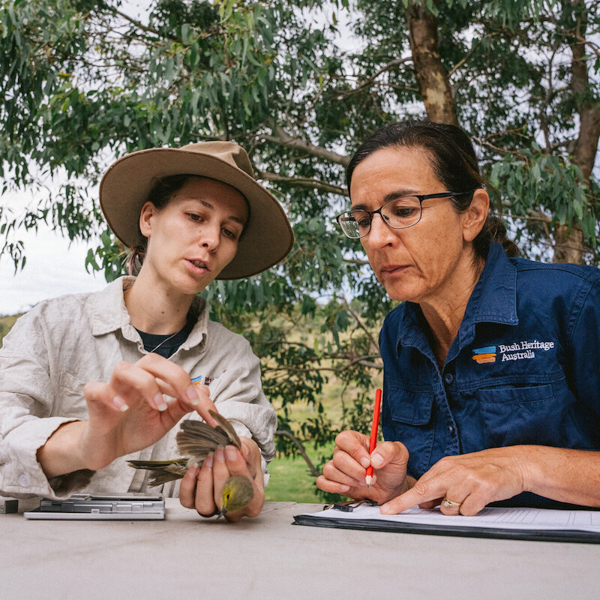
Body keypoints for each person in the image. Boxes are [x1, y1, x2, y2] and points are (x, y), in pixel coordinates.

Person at [317, 120, 600, 516]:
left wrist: (521, 466)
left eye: (403, 210)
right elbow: (448, 489)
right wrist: (400, 484)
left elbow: (496, 472)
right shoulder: (398, 335)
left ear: (472, 215)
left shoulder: (574, 302)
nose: (377, 239)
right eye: (364, 221)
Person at [0, 141, 293, 521]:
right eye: (195, 216)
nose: (213, 240)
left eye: (230, 231)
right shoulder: (50, 327)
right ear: (149, 219)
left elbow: (240, 432)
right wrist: (85, 442)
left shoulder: (233, 359)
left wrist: (243, 463)